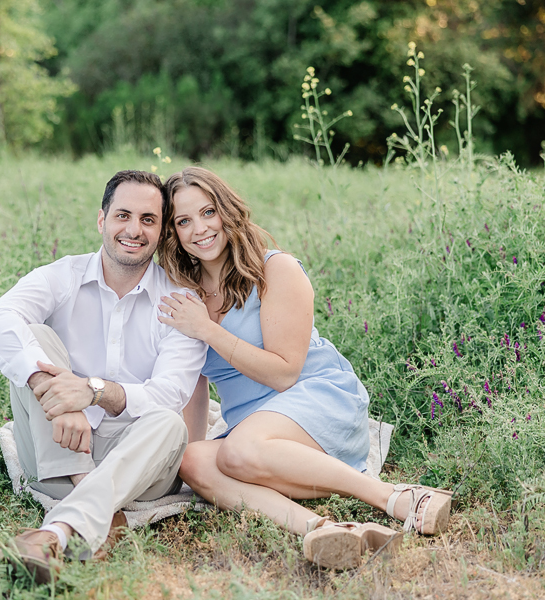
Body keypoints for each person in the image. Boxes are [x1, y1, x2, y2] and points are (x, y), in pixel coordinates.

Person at [156, 166, 452, 570]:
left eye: (208, 212)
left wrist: (207, 330)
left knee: (240, 450)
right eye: (184, 221)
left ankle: (394, 496)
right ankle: (323, 528)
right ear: (173, 233)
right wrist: (190, 455)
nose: (200, 229)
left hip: (315, 397)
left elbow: (284, 373)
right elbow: (195, 385)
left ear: (227, 211)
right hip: (255, 427)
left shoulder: (275, 270)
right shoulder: (185, 295)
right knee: (193, 460)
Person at [0, 170, 206, 583]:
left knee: (170, 423)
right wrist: (57, 396)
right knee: (34, 336)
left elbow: (170, 392)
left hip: (139, 465)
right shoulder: (62, 276)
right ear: (102, 221)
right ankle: (98, 510)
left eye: (148, 220)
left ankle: (54, 532)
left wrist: (92, 392)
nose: (133, 230)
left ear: (160, 232)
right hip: (56, 450)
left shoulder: (180, 301)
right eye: (123, 215)